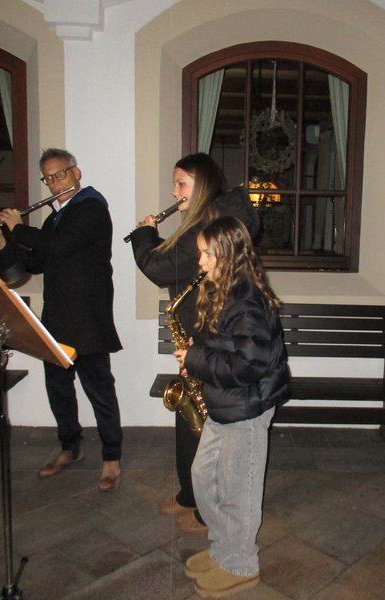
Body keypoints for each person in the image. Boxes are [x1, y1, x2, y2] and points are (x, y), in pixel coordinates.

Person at [129, 152, 259, 533]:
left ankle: (208, 509)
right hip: (199, 335)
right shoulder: (207, 220)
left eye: (181, 183)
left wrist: (144, 237)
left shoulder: (210, 223)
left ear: (201, 185)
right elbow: (177, 262)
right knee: (191, 419)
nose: (174, 192)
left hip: (214, 338)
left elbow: (161, 268)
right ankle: (190, 494)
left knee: (209, 429)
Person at [0, 148, 123, 492]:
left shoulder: (92, 208)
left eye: (60, 174)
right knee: (58, 389)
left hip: (87, 319)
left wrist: (17, 228)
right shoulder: (55, 218)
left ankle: (111, 457)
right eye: (48, 178)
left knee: (99, 390)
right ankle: (69, 447)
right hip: (57, 318)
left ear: (76, 172)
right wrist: (3, 245)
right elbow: (37, 263)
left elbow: (59, 245)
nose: (55, 183)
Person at [174, 216, 289, 598]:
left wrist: (195, 359)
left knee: (239, 491)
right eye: (201, 253)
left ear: (230, 254)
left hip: (247, 409)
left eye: (208, 254)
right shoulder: (222, 289)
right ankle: (223, 550)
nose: (201, 262)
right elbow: (225, 344)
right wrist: (197, 351)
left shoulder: (247, 299)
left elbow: (249, 364)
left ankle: (241, 565)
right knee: (204, 477)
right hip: (225, 402)